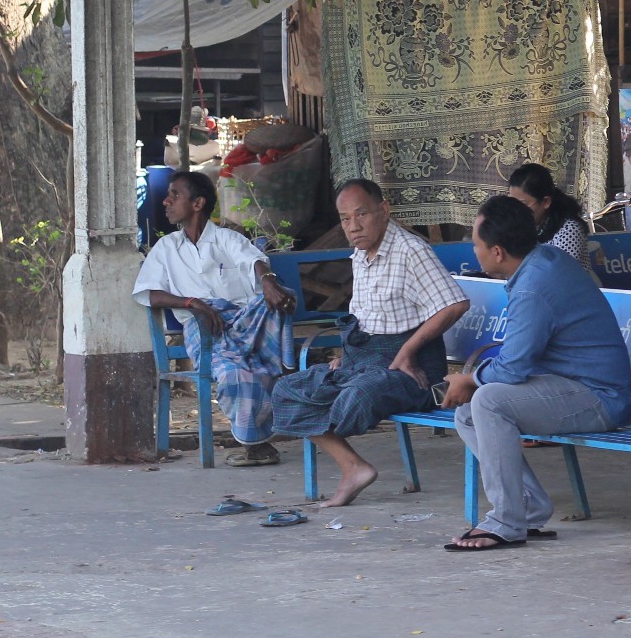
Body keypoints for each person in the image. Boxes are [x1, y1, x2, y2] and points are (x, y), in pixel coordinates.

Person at [442, 195, 631, 552]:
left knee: (486, 401)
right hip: (572, 386)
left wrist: (469, 379)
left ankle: (505, 521)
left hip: (598, 398)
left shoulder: (534, 285)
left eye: (476, 244)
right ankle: (528, 507)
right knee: (468, 413)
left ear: (497, 252)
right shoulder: (543, 260)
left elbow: (513, 368)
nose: (475, 250)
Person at [273, 179, 470, 507]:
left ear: (383, 210)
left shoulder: (411, 251)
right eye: (345, 218)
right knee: (287, 391)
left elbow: (455, 304)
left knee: (357, 397)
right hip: (365, 362)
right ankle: (353, 467)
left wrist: (408, 351)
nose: (353, 226)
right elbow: (363, 318)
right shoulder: (360, 255)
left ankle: (352, 465)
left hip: (413, 369)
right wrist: (346, 355)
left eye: (361, 214)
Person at [134, 171, 298, 466]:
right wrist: (192, 302)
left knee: (276, 297)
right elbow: (150, 293)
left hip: (246, 326)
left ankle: (278, 361)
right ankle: (257, 445)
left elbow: (255, 261)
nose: (165, 202)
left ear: (197, 203)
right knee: (236, 374)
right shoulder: (166, 248)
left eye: (174, 195)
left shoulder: (227, 239)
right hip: (204, 328)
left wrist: (268, 281)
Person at [507, 161, 587, 259]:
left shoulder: (569, 229)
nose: (516, 211)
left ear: (546, 202)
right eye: (513, 203)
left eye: (523, 204)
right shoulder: (523, 226)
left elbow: (560, 271)